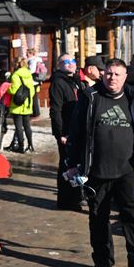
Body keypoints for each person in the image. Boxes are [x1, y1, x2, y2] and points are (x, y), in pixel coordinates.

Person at [64, 58, 134, 267]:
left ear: (125, 77)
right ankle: (102, 261)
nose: (112, 78)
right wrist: (72, 162)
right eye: (108, 73)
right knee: (98, 218)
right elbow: (76, 132)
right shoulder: (90, 98)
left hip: (129, 170)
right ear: (102, 75)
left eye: (117, 74)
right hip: (96, 170)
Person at [49, 53, 84, 210]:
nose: (70, 64)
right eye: (66, 62)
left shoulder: (76, 81)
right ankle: (65, 201)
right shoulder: (58, 82)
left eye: (72, 61)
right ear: (59, 65)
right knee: (66, 165)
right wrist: (60, 133)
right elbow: (55, 110)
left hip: (76, 130)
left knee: (75, 164)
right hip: (66, 131)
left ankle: (76, 198)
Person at [7, 57, 38, 153]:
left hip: (17, 105)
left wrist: (7, 88)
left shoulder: (15, 75)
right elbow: (32, 90)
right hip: (27, 104)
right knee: (27, 126)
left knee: (19, 127)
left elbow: (14, 90)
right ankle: (30, 145)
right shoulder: (29, 74)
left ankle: (21, 147)